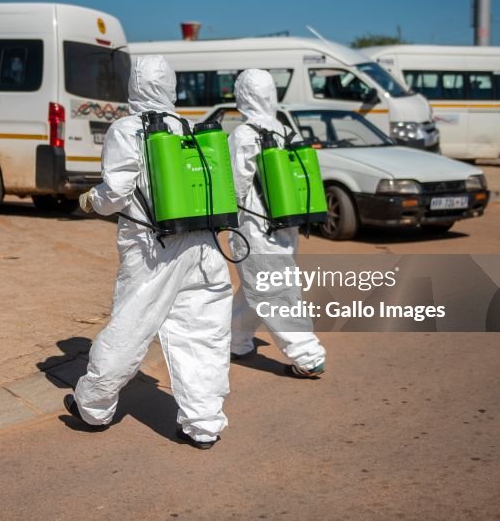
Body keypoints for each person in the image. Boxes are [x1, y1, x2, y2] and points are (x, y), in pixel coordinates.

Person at [67, 54, 233, 449]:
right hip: (204, 245)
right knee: (204, 335)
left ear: (135, 86)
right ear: (170, 87)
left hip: (152, 249)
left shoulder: (127, 129)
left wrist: (91, 200)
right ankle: (204, 424)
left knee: (130, 327)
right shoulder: (191, 128)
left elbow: (117, 192)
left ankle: (93, 406)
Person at [228, 69, 327, 377]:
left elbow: (236, 186)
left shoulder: (243, 134)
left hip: (255, 227)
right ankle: (235, 340)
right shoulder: (286, 131)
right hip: (286, 225)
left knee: (273, 291)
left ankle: (307, 356)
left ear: (242, 95)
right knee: (258, 286)